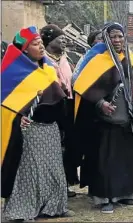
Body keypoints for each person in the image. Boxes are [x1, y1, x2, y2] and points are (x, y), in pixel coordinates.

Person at [72, 22, 133, 214]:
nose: (117, 40)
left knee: (126, 159)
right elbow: (84, 87)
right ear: (106, 39)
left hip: (128, 119)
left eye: (120, 36)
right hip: (103, 122)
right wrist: (100, 103)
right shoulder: (97, 60)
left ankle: (126, 194)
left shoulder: (131, 57)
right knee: (104, 160)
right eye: (113, 36)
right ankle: (104, 197)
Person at [1, 26, 73, 221]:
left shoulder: (48, 68)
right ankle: (23, 211)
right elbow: (5, 103)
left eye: (41, 43)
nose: (41, 47)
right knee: (30, 172)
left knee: (53, 169)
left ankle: (54, 206)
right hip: (30, 129)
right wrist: (17, 116)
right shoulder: (12, 72)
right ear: (24, 49)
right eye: (35, 44)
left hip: (51, 128)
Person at [39, 24, 80, 198]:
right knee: (53, 147)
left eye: (64, 38)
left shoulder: (66, 59)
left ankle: (65, 184)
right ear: (48, 41)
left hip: (68, 106)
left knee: (68, 146)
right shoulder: (42, 60)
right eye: (59, 38)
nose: (63, 41)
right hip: (50, 108)